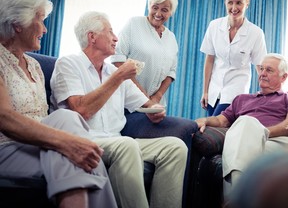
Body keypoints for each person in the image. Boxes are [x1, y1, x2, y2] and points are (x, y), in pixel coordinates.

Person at [50, 11, 188, 208]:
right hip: (86, 140)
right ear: (92, 37)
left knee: (175, 147)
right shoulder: (69, 64)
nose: (116, 38)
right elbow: (81, 110)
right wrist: (119, 76)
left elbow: (145, 104)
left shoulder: (114, 72)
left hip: (116, 140)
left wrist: (155, 109)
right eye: (110, 32)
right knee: (126, 144)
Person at [0, 0, 117, 208]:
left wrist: (69, 144)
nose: (45, 29)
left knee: (86, 158)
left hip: (41, 145)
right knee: (68, 122)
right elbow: (4, 118)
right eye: (41, 21)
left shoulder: (34, 65)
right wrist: (67, 141)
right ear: (17, 24)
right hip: (7, 147)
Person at [195, 53, 288, 200]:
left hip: (282, 143)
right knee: (244, 130)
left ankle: (233, 198)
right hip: (247, 143)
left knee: (246, 126)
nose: (262, 74)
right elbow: (221, 120)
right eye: (261, 69)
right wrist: (205, 120)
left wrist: (258, 132)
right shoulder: (242, 99)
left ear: (283, 77)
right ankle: (239, 199)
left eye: (269, 70)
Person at [199, 0, 267, 116]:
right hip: (214, 88)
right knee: (215, 133)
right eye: (230, 2)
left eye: (239, 3)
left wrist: (265, 92)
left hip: (236, 88)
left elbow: (260, 66)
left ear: (247, 4)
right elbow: (209, 60)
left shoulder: (256, 33)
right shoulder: (214, 26)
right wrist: (205, 91)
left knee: (214, 124)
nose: (234, 8)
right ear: (225, 3)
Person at [111, 0, 178, 106]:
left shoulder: (171, 38)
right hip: (128, 100)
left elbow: (171, 72)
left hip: (155, 104)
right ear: (149, 6)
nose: (158, 14)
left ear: (171, 12)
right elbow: (118, 60)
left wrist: (157, 97)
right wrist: (142, 95)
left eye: (164, 10)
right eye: (155, 7)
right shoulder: (134, 24)